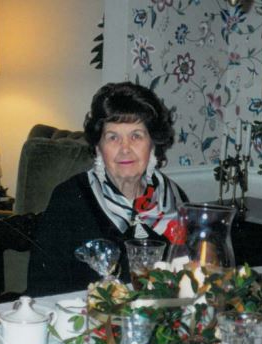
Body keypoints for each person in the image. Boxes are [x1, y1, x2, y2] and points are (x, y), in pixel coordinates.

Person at [27, 82, 187, 296]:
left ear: (153, 143)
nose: (125, 149)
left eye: (136, 136)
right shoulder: (69, 199)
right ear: (98, 147)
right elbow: (43, 290)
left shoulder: (173, 198)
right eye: (113, 137)